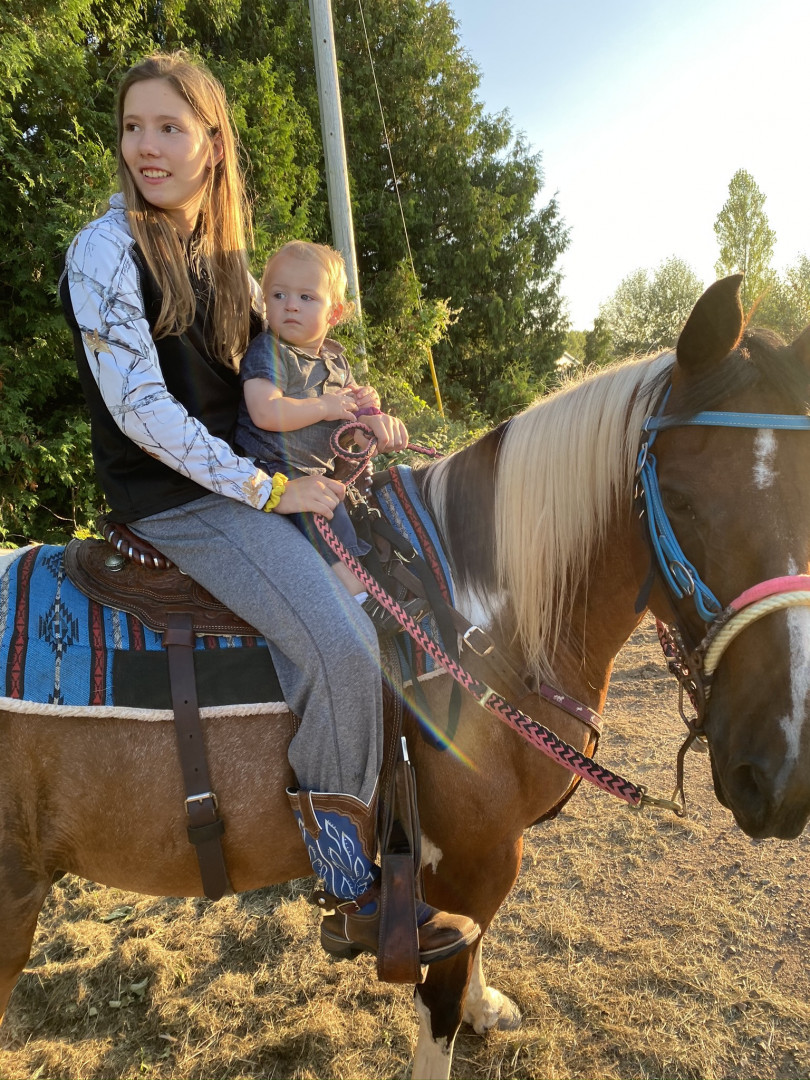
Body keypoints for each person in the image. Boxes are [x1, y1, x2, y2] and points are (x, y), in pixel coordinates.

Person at [59, 52, 478, 967]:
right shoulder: (103, 249)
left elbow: (290, 365)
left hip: (241, 484)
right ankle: (350, 890)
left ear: (213, 145)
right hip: (175, 500)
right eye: (135, 126)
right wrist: (273, 489)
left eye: (170, 127)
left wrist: (360, 416)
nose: (147, 146)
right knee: (338, 642)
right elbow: (143, 412)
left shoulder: (227, 264)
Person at [234, 240, 406, 604]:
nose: (291, 305)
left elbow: (352, 425)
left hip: (317, 474)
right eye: (278, 294)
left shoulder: (336, 363)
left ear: (336, 312)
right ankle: (355, 598)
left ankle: (374, 577)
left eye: (306, 297)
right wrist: (325, 407)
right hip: (270, 469)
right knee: (318, 518)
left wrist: (368, 424)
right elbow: (265, 412)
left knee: (351, 517)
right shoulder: (269, 351)